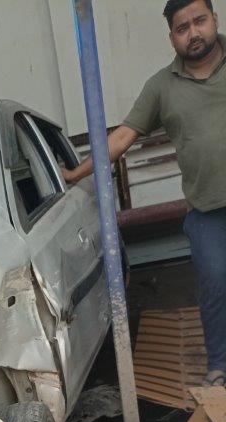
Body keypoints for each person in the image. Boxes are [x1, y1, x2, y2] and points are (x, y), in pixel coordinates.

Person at [64, 0, 226, 387]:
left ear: (215, 19)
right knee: (215, 282)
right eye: (182, 28)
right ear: (171, 37)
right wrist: (73, 174)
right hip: (206, 211)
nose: (193, 33)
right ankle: (220, 365)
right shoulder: (161, 87)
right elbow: (122, 137)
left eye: (200, 21)